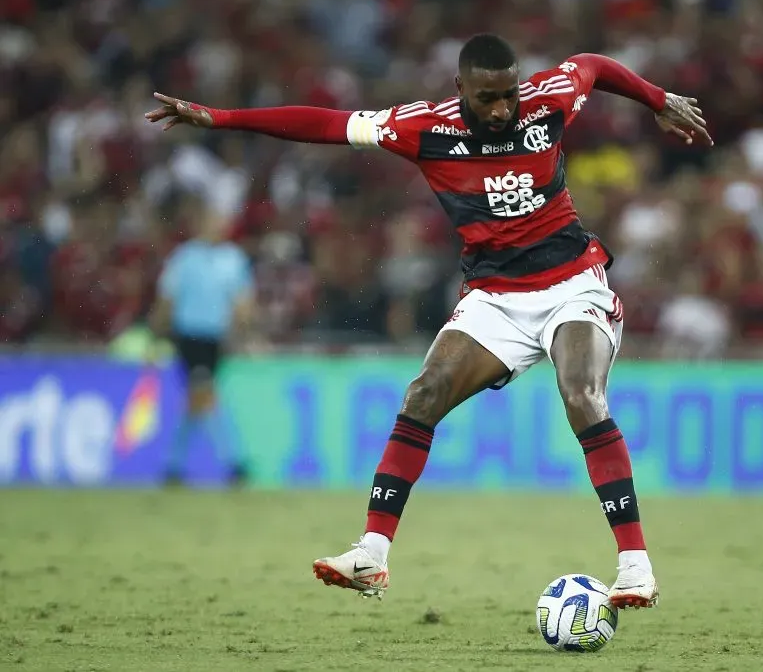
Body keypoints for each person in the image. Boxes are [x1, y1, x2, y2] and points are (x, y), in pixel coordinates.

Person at [146, 33, 711, 609]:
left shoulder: (548, 99)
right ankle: (371, 553)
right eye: (488, 97)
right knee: (423, 394)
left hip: (572, 284)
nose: (502, 109)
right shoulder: (424, 128)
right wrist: (219, 118)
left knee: (581, 394)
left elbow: (591, 65)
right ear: (460, 88)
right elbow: (325, 124)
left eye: (509, 95)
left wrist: (657, 98)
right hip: (495, 298)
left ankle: (635, 568)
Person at [149, 208, 257, 486]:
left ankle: (173, 465)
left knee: (195, 400)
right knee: (204, 394)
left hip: (215, 338)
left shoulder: (233, 258)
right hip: (190, 336)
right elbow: (168, 297)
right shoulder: (185, 257)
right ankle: (234, 462)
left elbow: (242, 302)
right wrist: (158, 330)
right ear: (199, 224)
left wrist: (242, 332)